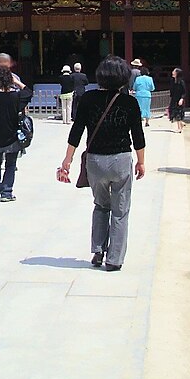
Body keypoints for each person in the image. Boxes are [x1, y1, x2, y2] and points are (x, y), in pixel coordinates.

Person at [58, 56, 146, 272]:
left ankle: (98, 249)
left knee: (101, 205)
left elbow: (76, 130)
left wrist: (67, 159)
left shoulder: (88, 99)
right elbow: (138, 136)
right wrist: (141, 162)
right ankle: (114, 259)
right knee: (120, 210)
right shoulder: (129, 102)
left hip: (95, 161)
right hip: (120, 159)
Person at [0, 66, 33, 201]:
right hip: (11, 137)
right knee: (10, 164)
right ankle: (6, 192)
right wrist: (16, 82)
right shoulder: (15, 97)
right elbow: (28, 92)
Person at [168, 68, 187, 133]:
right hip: (174, 98)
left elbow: (184, 92)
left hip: (179, 99)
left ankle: (179, 128)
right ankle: (181, 124)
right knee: (172, 111)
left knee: (178, 113)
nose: (172, 72)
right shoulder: (172, 80)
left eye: (174, 71)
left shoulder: (181, 81)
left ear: (177, 73)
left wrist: (182, 99)